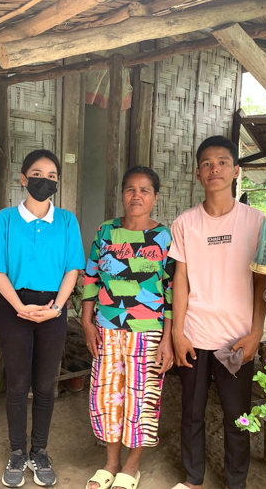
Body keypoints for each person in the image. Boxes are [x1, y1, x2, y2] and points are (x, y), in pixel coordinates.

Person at [169, 136, 266, 489]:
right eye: (208, 164)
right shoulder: (185, 224)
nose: (215, 169)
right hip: (195, 335)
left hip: (237, 337)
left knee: (236, 416)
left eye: (223, 162)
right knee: (192, 414)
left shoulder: (256, 222)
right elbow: (179, 280)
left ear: (236, 171)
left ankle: (235, 482)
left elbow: (261, 284)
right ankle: (194, 479)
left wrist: (256, 332)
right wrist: (177, 333)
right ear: (198, 174)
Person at [0, 149, 85, 488]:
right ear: (24, 178)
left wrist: (57, 307)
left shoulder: (67, 221)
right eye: (38, 174)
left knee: (44, 385)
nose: (46, 180)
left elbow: (73, 268)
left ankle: (39, 451)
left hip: (54, 310)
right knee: (17, 385)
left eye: (53, 176)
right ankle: (16, 452)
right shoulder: (6, 220)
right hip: (15, 308)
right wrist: (18, 307)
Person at [82, 166, 175, 489]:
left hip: (147, 331)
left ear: (155, 197)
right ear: (122, 195)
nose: (137, 196)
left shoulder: (163, 237)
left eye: (145, 190)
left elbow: (171, 290)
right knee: (109, 395)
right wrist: (86, 319)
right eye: (130, 190)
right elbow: (91, 277)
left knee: (140, 398)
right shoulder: (106, 231)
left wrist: (168, 339)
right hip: (107, 327)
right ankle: (111, 462)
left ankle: (132, 466)